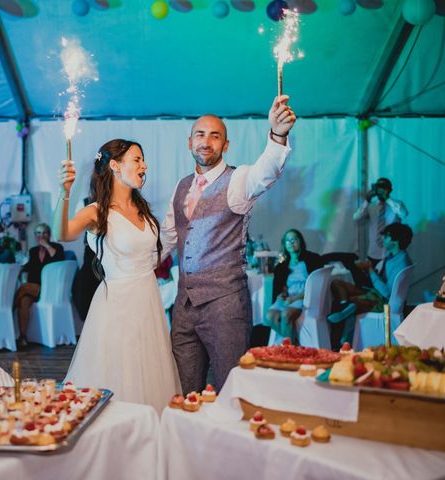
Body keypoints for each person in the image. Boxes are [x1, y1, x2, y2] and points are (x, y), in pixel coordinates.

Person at [161, 95, 296, 394]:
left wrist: (277, 135)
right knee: (183, 391)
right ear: (189, 142)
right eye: (200, 135)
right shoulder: (181, 186)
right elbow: (168, 238)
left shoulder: (239, 180)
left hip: (225, 306)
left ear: (225, 145)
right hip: (183, 307)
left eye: (214, 135)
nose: (206, 142)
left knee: (229, 388)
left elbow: (267, 171)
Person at [54, 139, 181, 414]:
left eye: (143, 160)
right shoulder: (96, 212)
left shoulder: (144, 211)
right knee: (119, 374)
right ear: (115, 165)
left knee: (149, 374)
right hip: (116, 307)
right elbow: (61, 234)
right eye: (137, 159)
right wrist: (64, 193)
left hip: (148, 304)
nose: (144, 165)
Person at [328, 223, 413, 345]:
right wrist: (368, 269)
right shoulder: (392, 257)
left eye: (387, 236)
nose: (383, 239)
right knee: (338, 284)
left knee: (352, 302)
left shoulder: (401, 262)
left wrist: (370, 270)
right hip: (375, 293)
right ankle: (346, 309)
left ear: (396, 240)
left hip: (383, 301)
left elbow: (387, 292)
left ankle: (342, 337)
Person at [263, 229, 323, 344]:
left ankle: (289, 349)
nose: (291, 242)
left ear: (300, 241)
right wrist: (280, 295)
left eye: (294, 239)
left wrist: (294, 299)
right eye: (287, 240)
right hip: (288, 298)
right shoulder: (281, 267)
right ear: (284, 244)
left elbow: (315, 286)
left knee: (286, 315)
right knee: (269, 316)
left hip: (304, 298)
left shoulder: (312, 259)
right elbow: (279, 288)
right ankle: (293, 343)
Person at [13, 223, 64, 347]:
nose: (41, 235)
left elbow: (58, 259)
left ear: (49, 235)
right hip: (35, 290)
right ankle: (23, 337)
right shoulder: (33, 251)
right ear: (35, 236)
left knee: (24, 287)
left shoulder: (57, 247)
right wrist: (19, 269)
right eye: (38, 233)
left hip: (50, 289)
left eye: (44, 233)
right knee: (24, 301)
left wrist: (46, 246)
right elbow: (30, 266)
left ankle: (9, 310)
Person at [353, 177, 407, 265]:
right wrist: (367, 201)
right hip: (373, 253)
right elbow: (356, 218)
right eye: (379, 186)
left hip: (391, 253)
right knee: (372, 278)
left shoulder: (397, 204)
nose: (381, 189)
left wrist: (387, 198)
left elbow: (404, 214)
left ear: (390, 190)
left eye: (384, 187)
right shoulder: (371, 205)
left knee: (390, 278)